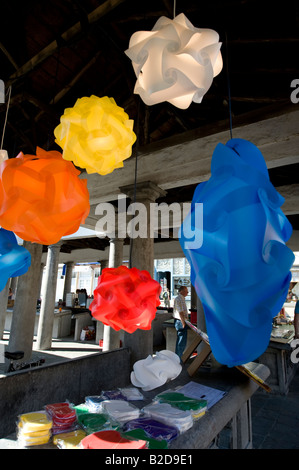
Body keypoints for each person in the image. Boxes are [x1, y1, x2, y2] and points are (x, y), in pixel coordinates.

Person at [173, 285, 189, 360]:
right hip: (180, 321)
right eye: (186, 291)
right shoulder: (179, 299)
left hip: (181, 321)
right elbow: (180, 312)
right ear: (182, 291)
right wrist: (183, 322)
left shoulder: (181, 298)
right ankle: (178, 358)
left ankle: (178, 357)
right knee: (181, 341)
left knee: (181, 340)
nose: (187, 292)